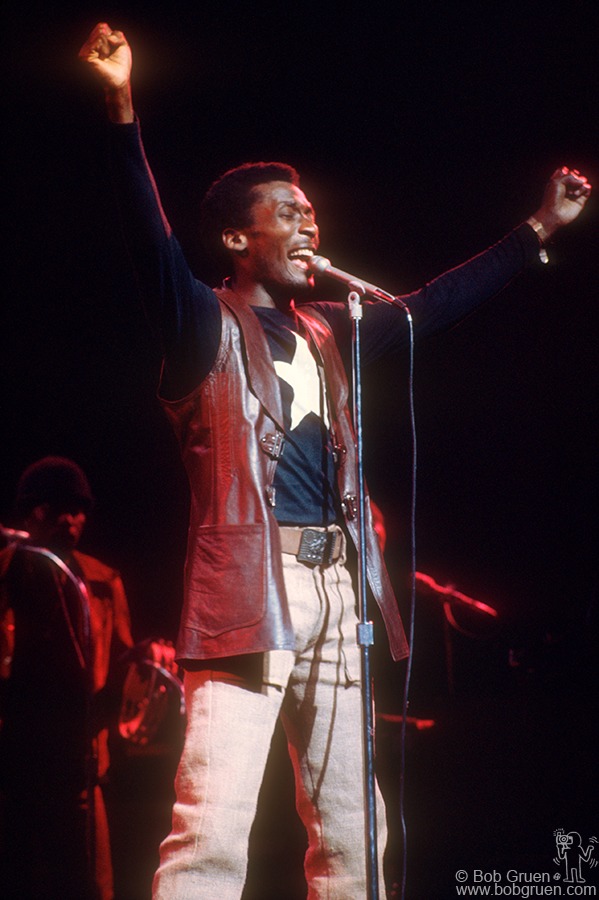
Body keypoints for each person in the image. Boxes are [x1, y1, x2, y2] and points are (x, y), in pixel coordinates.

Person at [78, 22, 591, 900]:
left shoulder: (331, 333)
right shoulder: (201, 322)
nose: (307, 217)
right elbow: (146, 235)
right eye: (284, 210)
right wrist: (122, 108)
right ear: (238, 242)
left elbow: (431, 306)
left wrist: (536, 228)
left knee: (357, 833)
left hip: (337, 590)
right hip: (249, 583)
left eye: (309, 208)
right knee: (212, 828)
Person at [0, 456, 175, 899]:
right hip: (14, 758)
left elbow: (122, 667)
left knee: (90, 884)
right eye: (56, 507)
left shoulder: (99, 581)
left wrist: (146, 661)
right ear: (29, 510)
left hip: (80, 761)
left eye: (78, 509)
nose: (70, 519)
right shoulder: (8, 569)